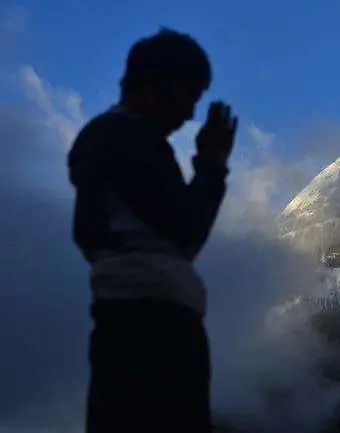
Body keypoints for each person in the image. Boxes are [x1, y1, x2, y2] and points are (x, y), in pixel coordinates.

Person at [67, 29, 237, 433]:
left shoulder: (127, 141)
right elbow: (184, 229)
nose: (189, 113)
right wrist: (211, 164)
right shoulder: (120, 137)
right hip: (149, 326)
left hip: (146, 316)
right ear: (154, 83)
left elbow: (179, 240)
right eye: (186, 96)